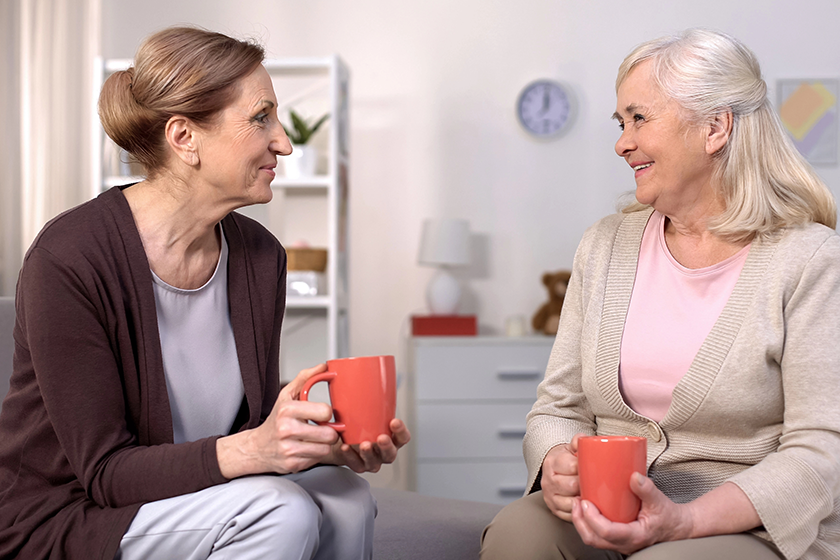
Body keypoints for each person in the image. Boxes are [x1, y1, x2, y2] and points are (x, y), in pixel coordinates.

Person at [0, 26, 410, 560]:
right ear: (184, 138)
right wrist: (258, 449)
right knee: (278, 510)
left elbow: (243, 429)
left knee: (348, 497)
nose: (283, 142)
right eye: (261, 117)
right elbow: (104, 473)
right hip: (73, 513)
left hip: (193, 496)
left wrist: (318, 444)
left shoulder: (260, 257)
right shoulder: (70, 257)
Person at [481, 28, 840, 560]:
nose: (622, 142)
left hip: (743, 526)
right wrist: (556, 459)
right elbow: (558, 406)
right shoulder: (602, 246)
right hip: (608, 507)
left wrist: (682, 521)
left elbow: (821, 450)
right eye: (620, 123)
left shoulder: (810, 260)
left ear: (715, 127)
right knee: (519, 533)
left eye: (639, 119)